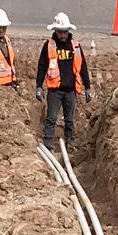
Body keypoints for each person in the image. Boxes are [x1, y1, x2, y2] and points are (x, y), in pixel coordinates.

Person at [36, 12, 92, 151]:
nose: (62, 35)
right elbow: (42, 66)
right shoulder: (49, 45)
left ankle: (69, 145)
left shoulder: (75, 46)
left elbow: (83, 67)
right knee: (51, 118)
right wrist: (39, 86)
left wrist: (87, 87)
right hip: (55, 90)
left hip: (70, 90)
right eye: (60, 32)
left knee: (69, 120)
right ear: (55, 31)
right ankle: (48, 145)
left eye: (64, 32)